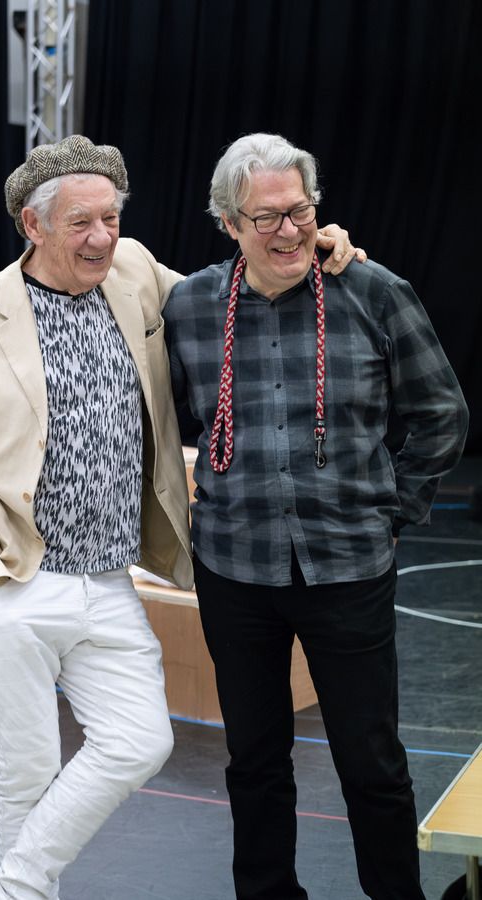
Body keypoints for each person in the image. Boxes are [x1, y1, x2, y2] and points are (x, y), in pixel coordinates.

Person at [0, 134, 359, 900]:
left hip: (111, 578)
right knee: (27, 766)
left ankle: (0, 894)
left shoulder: (136, 272)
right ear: (33, 226)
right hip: (16, 577)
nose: (102, 238)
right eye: (81, 223)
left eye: (111, 218)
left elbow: (240, 295)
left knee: (140, 741)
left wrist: (314, 243)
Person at [163, 132, 469, 900]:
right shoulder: (192, 306)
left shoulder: (373, 292)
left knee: (370, 761)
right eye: (264, 218)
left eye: (300, 210)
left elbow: (442, 412)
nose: (290, 230)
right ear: (228, 223)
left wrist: (394, 509)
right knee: (254, 759)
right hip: (234, 567)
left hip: (348, 566)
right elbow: (165, 417)